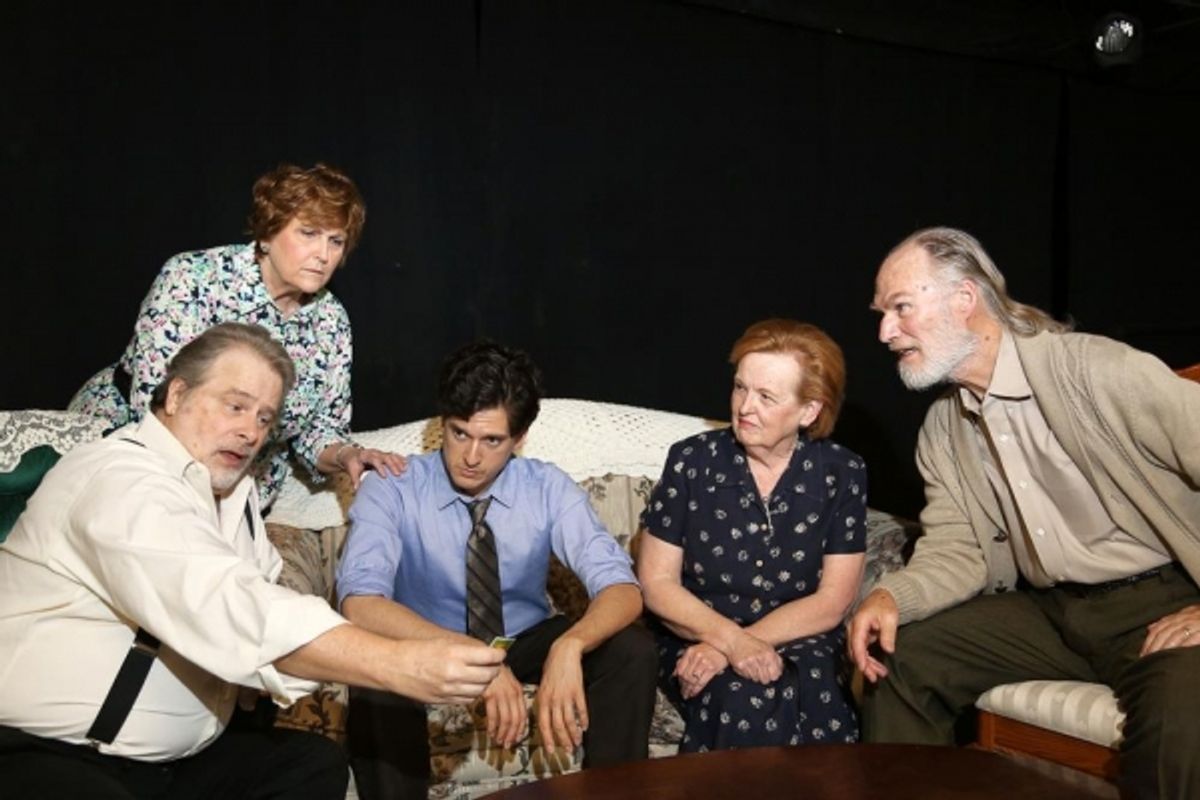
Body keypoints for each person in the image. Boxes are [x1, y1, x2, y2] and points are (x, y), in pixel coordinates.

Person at [0, 323, 504, 799]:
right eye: (235, 406)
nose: (250, 432)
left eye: (264, 418)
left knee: (311, 764)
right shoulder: (117, 475)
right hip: (52, 752)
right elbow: (224, 602)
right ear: (176, 396)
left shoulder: (235, 498)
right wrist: (397, 663)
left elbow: (269, 600)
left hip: (176, 765)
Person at [849, 226, 1200, 799]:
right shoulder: (943, 427)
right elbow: (957, 550)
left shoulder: (1098, 372)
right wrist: (892, 597)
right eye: (882, 314)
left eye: (900, 308)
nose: (885, 332)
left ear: (964, 299)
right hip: (1052, 610)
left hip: (1161, 602)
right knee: (898, 662)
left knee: (1182, 728)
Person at [336, 341, 657, 799]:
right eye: (459, 433)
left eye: (492, 441)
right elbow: (360, 604)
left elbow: (623, 589)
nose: (471, 456)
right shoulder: (392, 487)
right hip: (424, 640)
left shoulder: (546, 486)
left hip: (521, 638)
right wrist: (473, 659)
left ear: (519, 438)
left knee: (631, 649)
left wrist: (570, 646)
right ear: (442, 423)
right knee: (375, 675)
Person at [69, 163, 402, 508]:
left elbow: (319, 430)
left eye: (336, 241)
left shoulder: (332, 321)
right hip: (136, 448)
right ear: (267, 234)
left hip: (239, 480)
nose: (323, 255)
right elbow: (157, 406)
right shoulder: (193, 278)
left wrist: (349, 455)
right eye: (308, 233)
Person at [637, 319, 867, 752]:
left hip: (802, 635)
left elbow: (833, 600)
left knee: (810, 692)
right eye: (740, 388)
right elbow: (656, 583)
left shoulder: (842, 472)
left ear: (809, 411)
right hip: (697, 632)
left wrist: (739, 646)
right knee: (741, 696)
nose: (745, 407)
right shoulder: (691, 461)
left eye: (766, 396)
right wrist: (730, 642)